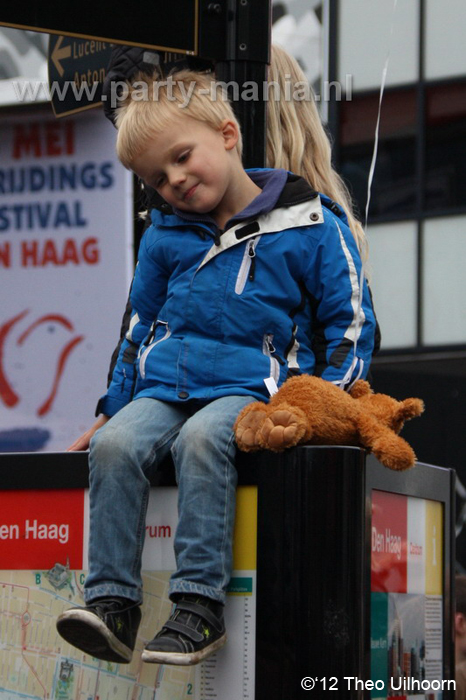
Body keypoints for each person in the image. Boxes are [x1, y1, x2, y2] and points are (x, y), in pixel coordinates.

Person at [56, 68, 376, 667]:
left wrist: (317, 402)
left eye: (181, 158)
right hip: (165, 387)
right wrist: (112, 409)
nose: (173, 181)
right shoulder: (162, 237)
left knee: (204, 440)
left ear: (228, 134)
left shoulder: (311, 223)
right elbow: (136, 329)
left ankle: (199, 609)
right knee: (116, 446)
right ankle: (112, 608)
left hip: (250, 389)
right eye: (156, 177)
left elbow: (351, 324)